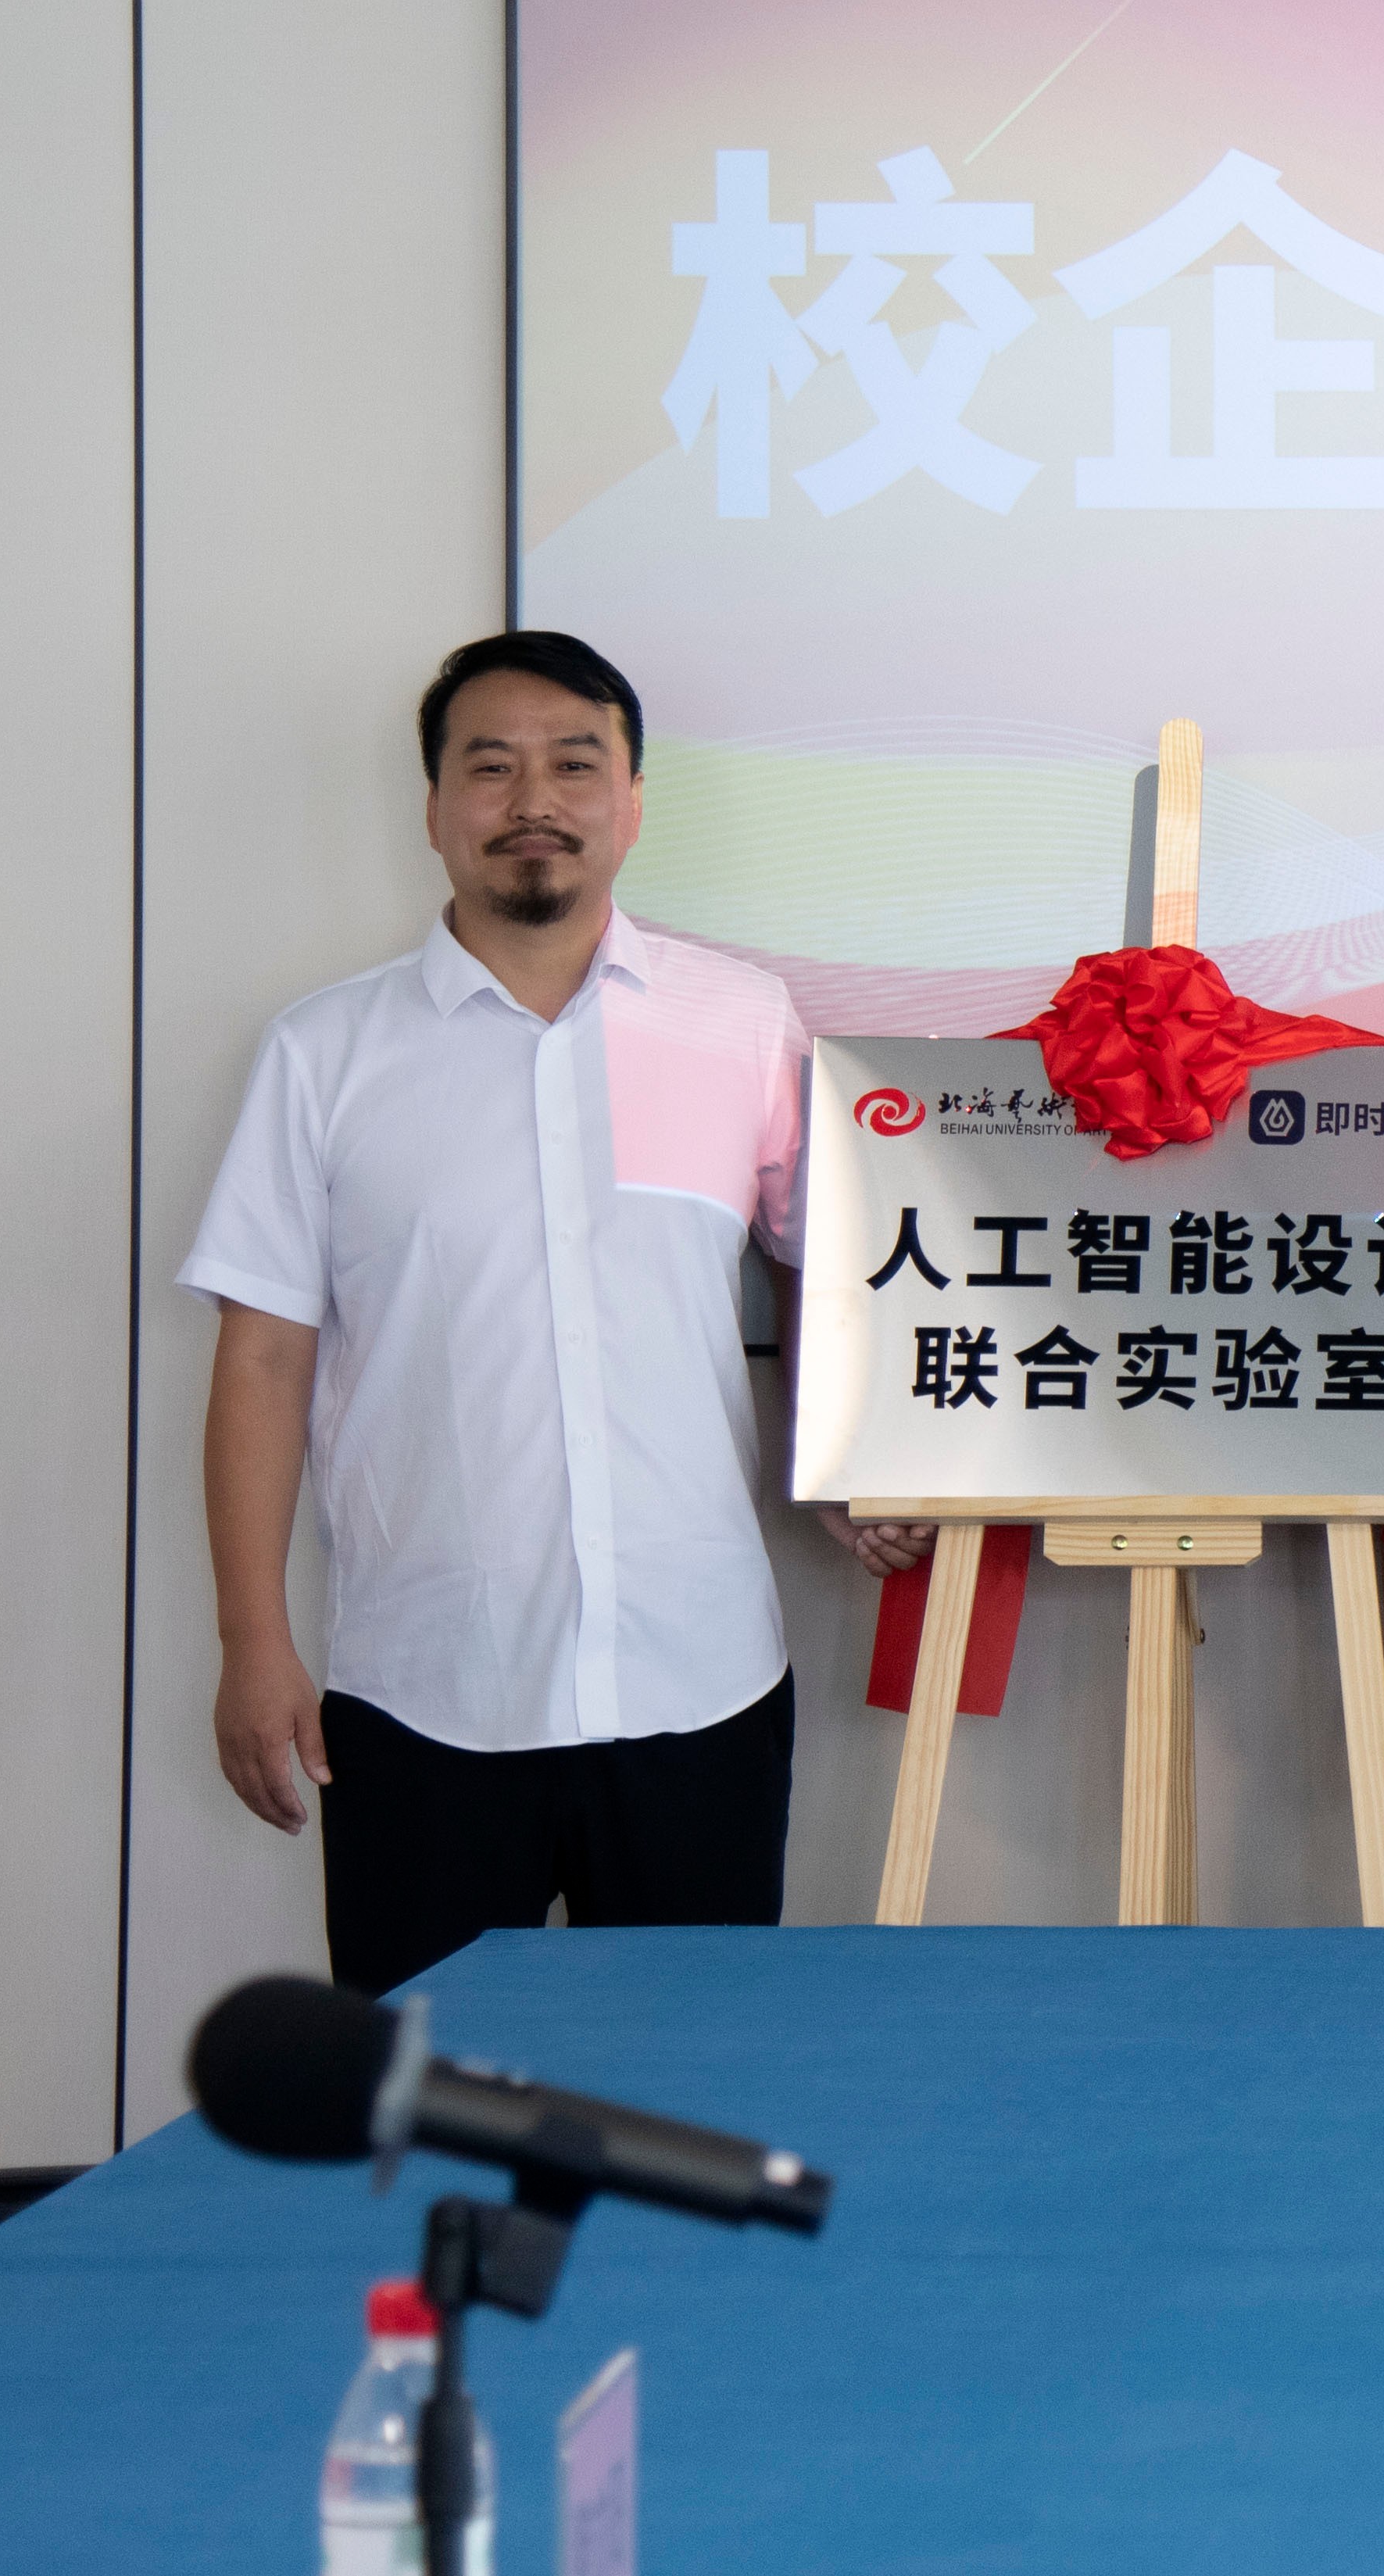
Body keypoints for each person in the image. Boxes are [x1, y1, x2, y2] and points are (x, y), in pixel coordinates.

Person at [185, 631, 926, 1992]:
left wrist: (843, 1462)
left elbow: (829, 1268)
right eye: (491, 766)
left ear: (630, 802)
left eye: (575, 764)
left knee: (692, 2082)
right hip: (423, 1690)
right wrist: (252, 1638)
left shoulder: (740, 1023)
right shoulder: (324, 1053)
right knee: (421, 2086)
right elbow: (264, 1358)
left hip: (699, 1676)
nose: (534, 799)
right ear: (434, 807)